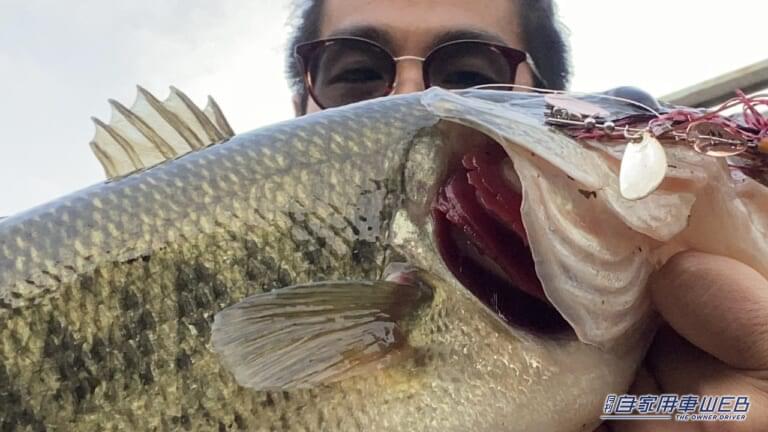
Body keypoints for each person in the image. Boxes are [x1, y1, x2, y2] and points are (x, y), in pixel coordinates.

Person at [284, 1, 768, 430]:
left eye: (470, 76)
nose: (408, 98)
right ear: (297, 108)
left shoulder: (646, 383)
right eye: (354, 74)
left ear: (551, 103)